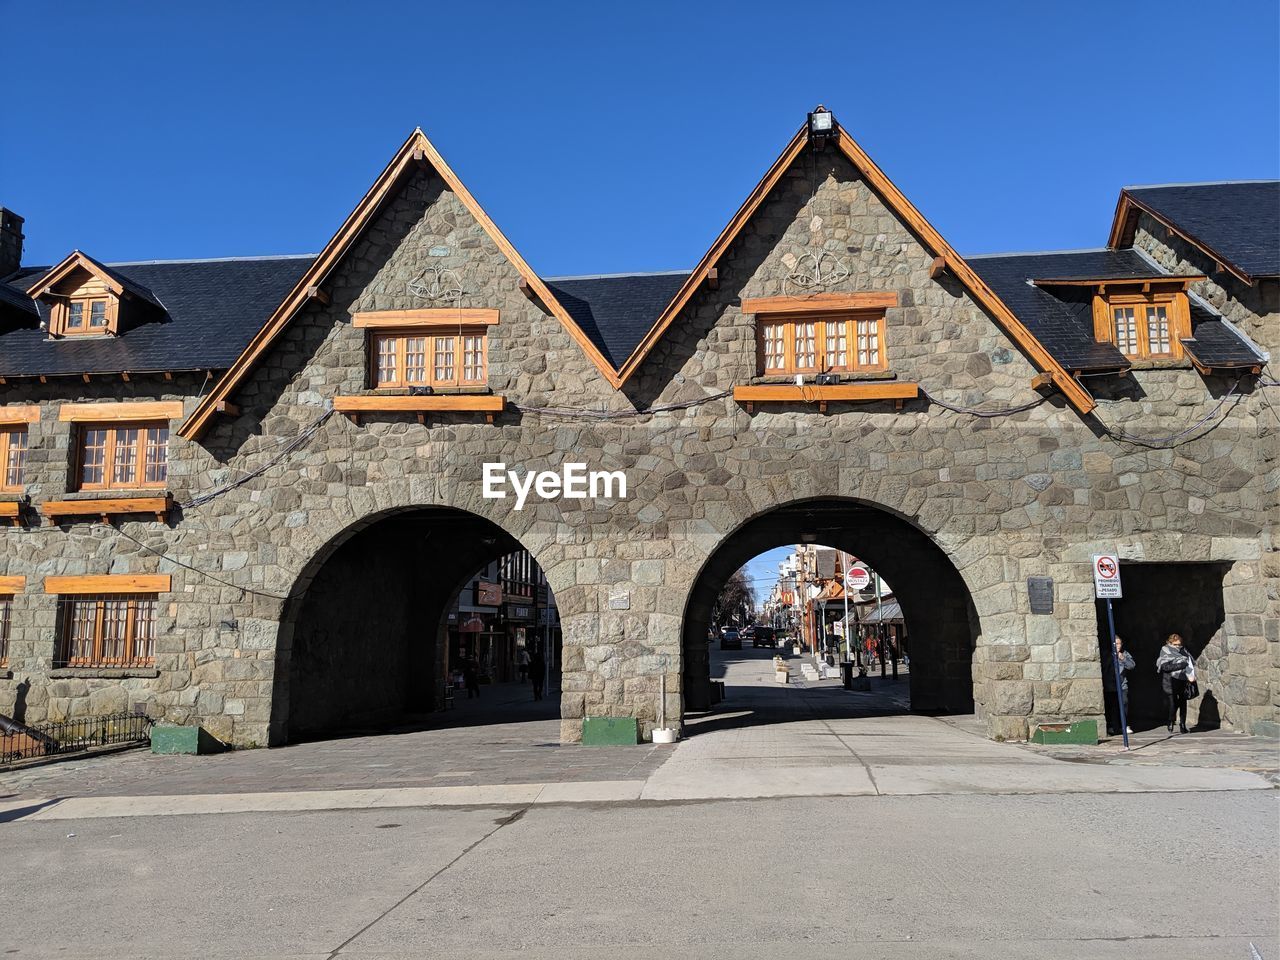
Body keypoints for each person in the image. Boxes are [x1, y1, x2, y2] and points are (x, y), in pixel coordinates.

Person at [1156, 633, 1195, 734]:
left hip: (1182, 679)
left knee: (1183, 702)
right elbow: (1165, 667)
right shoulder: (1165, 651)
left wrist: (1190, 674)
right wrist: (1181, 665)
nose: (1177, 647)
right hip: (1170, 681)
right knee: (1173, 703)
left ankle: (1183, 725)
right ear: (1169, 643)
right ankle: (1170, 720)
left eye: (1179, 644)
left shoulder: (1183, 650)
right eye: (1175, 644)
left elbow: (1190, 661)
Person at [1102, 635, 1135, 736]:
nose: (1118, 646)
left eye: (1120, 643)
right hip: (1110, 685)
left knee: (1124, 704)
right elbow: (1104, 668)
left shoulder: (1124, 654)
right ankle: (1113, 726)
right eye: (1116, 644)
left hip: (1122, 685)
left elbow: (1131, 665)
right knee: (1113, 706)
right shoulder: (1106, 654)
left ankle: (1124, 725)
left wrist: (1123, 658)